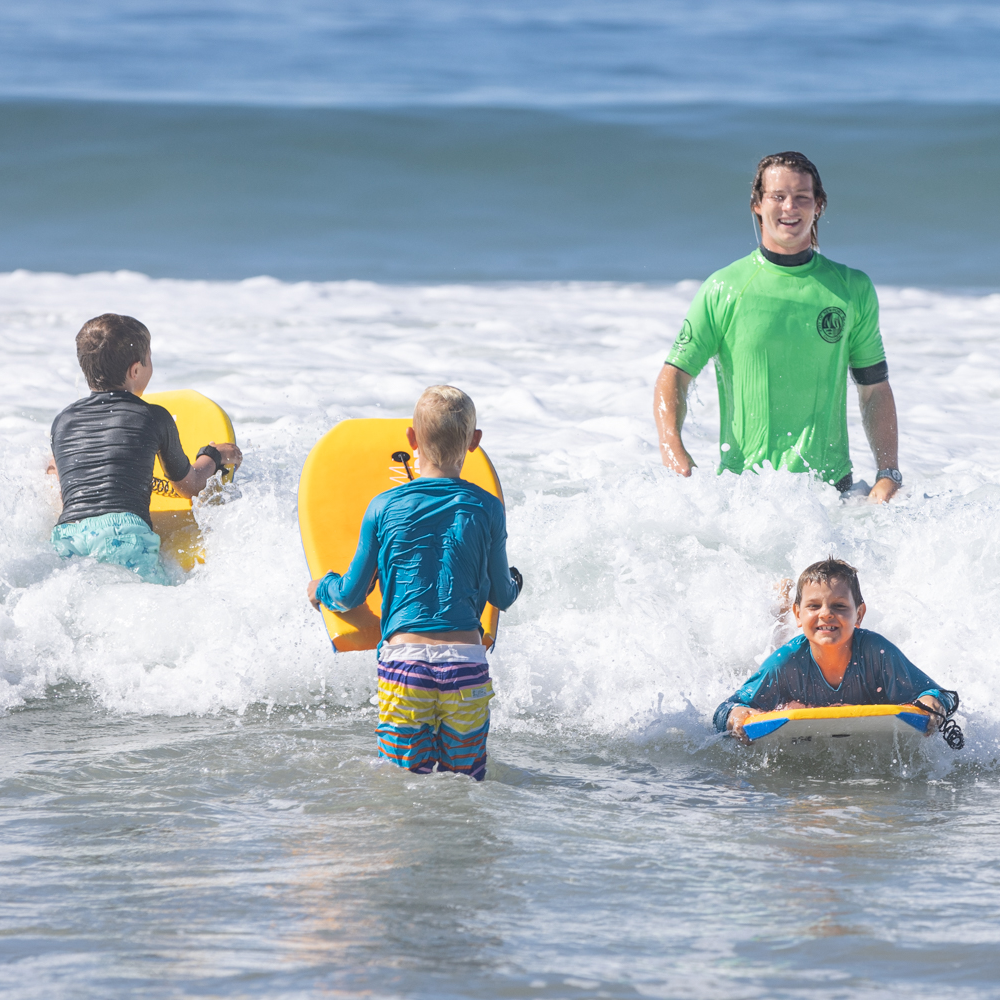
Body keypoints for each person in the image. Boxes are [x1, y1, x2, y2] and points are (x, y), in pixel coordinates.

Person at [653, 151, 903, 503]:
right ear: (757, 204)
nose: (790, 207)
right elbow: (674, 374)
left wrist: (888, 472)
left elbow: (874, 387)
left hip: (831, 494)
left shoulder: (851, 288)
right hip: (744, 495)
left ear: (819, 206)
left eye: (802, 197)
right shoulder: (724, 288)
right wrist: (671, 445)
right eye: (778, 196)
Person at [307, 386, 522, 781]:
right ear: (475, 443)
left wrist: (321, 588)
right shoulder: (488, 507)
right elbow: (501, 596)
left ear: (411, 438)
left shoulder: (383, 506)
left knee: (404, 783)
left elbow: (352, 593)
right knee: (466, 782)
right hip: (466, 668)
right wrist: (515, 580)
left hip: (405, 665)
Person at [49, 313, 242, 584]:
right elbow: (190, 485)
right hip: (124, 534)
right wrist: (214, 456)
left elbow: (60, 478)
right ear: (135, 370)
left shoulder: (63, 420)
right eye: (149, 360)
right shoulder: (152, 416)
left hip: (67, 535)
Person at [714, 559, 958, 742]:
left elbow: (941, 694)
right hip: (795, 655)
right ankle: (781, 603)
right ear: (798, 615)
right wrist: (736, 714)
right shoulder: (783, 663)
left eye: (839, 606)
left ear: (859, 614)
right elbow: (725, 710)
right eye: (813, 606)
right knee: (779, 642)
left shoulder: (878, 653)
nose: (826, 613)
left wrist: (932, 700)